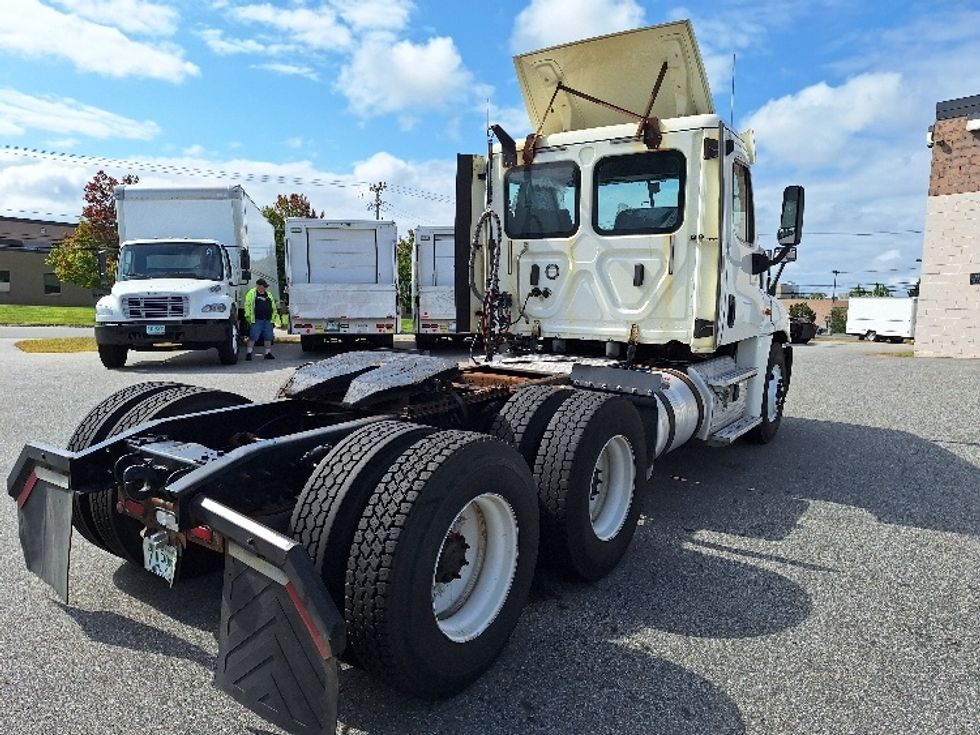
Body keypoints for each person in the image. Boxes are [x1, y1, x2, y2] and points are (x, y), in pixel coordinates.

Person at [244, 278, 280, 360]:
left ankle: (268, 353)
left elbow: (273, 306)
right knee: (253, 337)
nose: (265, 288)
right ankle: (249, 353)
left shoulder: (268, 294)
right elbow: (247, 306)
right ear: (258, 286)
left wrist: (274, 318)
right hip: (256, 320)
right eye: (264, 286)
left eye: (265, 286)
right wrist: (248, 317)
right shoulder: (251, 294)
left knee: (268, 337)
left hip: (267, 320)